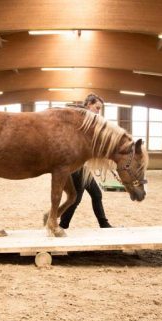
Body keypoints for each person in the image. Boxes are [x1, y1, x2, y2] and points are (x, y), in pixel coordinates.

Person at [60, 93, 112, 229]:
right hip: (75, 165)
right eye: (97, 107)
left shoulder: (89, 122)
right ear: (89, 105)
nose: (98, 111)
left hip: (82, 165)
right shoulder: (80, 120)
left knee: (96, 194)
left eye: (100, 109)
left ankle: (103, 223)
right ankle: (63, 225)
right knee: (75, 198)